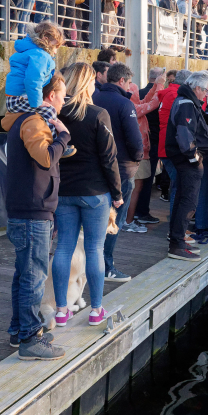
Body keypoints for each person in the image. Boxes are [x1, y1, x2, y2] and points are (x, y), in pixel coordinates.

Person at [4, 72, 70, 360]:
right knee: (33, 276)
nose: (64, 101)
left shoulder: (27, 119)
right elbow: (44, 158)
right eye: (62, 96)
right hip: (32, 210)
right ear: (50, 96)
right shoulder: (33, 121)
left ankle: (20, 329)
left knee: (24, 273)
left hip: (28, 207)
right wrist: (63, 137)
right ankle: (30, 339)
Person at [53, 63, 123, 328]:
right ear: (85, 84)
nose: (95, 86)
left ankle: (61, 310)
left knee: (63, 247)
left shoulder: (56, 113)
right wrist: (117, 192)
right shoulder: (97, 114)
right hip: (94, 192)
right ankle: (96, 310)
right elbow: (109, 158)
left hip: (63, 190)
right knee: (94, 249)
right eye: (93, 82)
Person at [93, 63, 144, 281]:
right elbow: (134, 140)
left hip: (95, 168)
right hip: (121, 169)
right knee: (114, 220)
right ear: (122, 81)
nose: (131, 86)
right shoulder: (125, 104)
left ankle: (92, 263)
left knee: (95, 220)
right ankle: (106, 266)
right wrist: (138, 157)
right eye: (130, 82)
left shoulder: (94, 98)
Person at [165, 71, 208, 261]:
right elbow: (185, 136)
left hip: (185, 160)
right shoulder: (186, 103)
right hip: (187, 161)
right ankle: (176, 243)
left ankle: (177, 239)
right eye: (206, 91)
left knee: (182, 199)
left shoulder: (186, 101)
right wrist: (195, 158)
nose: (207, 95)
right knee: (188, 201)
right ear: (197, 88)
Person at [132, 66, 166, 224]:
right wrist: (160, 85)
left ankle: (134, 215)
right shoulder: (132, 107)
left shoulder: (136, 101)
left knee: (141, 182)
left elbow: (146, 101)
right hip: (143, 147)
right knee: (141, 183)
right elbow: (151, 104)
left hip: (143, 145)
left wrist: (155, 86)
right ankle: (134, 217)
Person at [5, 22, 64, 110]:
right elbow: (33, 80)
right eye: (54, 46)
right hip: (20, 98)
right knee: (50, 111)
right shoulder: (41, 56)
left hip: (13, 98)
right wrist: (38, 103)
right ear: (45, 39)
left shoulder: (32, 51)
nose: (55, 52)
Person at [157, 69, 189, 216]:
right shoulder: (176, 95)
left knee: (177, 184)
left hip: (165, 144)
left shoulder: (169, 93)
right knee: (178, 186)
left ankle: (175, 220)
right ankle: (175, 222)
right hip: (172, 145)